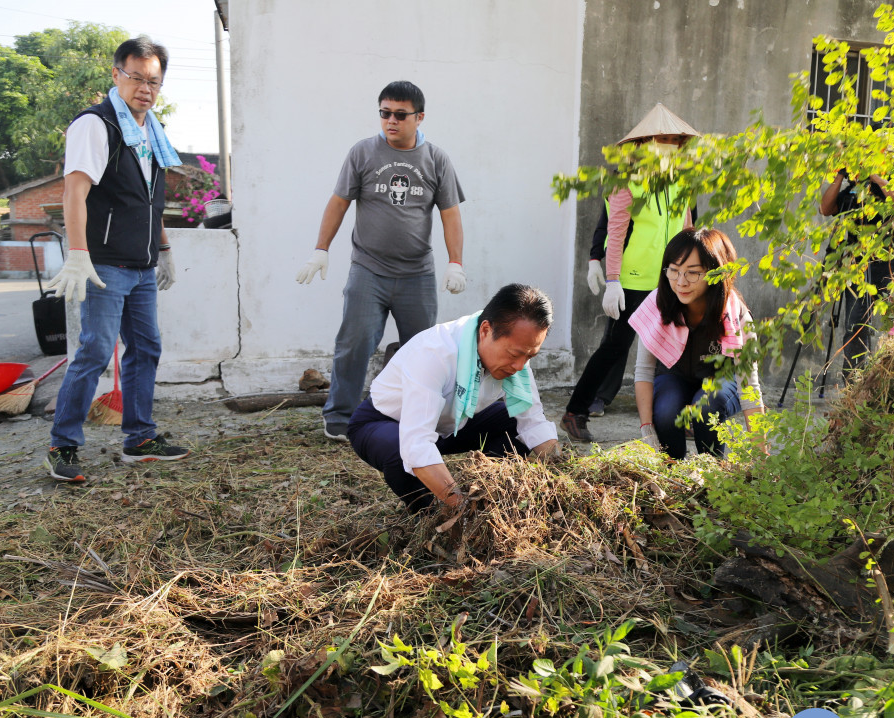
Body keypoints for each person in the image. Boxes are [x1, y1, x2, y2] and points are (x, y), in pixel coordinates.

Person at [44, 36, 187, 483]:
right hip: (104, 264)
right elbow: (75, 191)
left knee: (146, 348)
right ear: (116, 75)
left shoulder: (150, 131)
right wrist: (79, 254)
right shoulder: (97, 124)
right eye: (136, 77)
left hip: (142, 267)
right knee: (95, 351)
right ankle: (62, 444)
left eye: (154, 81)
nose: (145, 88)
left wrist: (162, 248)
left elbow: (149, 200)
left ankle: (139, 436)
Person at [297, 81, 466, 443]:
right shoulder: (363, 153)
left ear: (419, 117)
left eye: (400, 114)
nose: (391, 120)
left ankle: (414, 416)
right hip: (368, 270)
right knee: (355, 342)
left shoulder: (436, 160)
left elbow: (450, 214)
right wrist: (320, 249)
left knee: (422, 350)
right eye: (385, 113)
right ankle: (340, 416)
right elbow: (339, 202)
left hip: (417, 274)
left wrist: (456, 263)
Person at [347, 283, 561, 513]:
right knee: (399, 449)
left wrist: (564, 477)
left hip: (450, 426)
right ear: (486, 330)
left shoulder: (518, 359)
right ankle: (432, 516)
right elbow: (416, 443)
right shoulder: (435, 352)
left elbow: (533, 423)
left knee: (512, 423)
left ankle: (490, 496)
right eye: (515, 354)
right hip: (385, 424)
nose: (520, 366)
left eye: (530, 356)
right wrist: (462, 510)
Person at [560, 103, 697, 443]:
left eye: (673, 139)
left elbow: (688, 228)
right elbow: (616, 232)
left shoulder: (682, 180)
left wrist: (693, 272)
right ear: (644, 143)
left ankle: (684, 416)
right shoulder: (627, 182)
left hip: (670, 279)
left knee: (680, 348)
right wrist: (613, 280)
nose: (668, 144)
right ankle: (574, 412)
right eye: (661, 138)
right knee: (614, 347)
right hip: (633, 281)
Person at [628, 228, 763, 459]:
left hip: (721, 380)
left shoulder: (736, 314)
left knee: (705, 407)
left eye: (692, 273)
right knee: (666, 412)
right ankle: (672, 473)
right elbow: (643, 371)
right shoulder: (658, 304)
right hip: (675, 376)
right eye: (674, 271)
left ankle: (713, 475)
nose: (681, 282)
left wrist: (761, 452)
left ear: (715, 274)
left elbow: (749, 386)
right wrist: (646, 429)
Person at [819, 167, 894, 377]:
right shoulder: (854, 192)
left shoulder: (893, 179)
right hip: (859, 267)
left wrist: (874, 174)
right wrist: (840, 176)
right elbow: (825, 208)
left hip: (891, 262)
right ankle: (853, 387)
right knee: (855, 326)